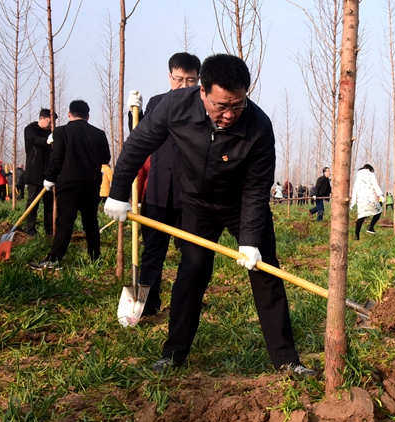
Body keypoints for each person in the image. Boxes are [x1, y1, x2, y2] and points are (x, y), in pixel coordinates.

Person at [104, 53, 315, 377]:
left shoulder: (258, 126)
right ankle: (173, 353)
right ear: (202, 92)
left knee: (265, 272)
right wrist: (118, 192)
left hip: (241, 205)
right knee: (193, 272)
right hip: (197, 205)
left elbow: (257, 188)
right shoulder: (175, 107)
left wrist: (249, 240)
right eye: (221, 106)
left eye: (237, 105)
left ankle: (287, 360)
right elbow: (137, 144)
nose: (229, 114)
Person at [125, 52, 201, 317]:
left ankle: (187, 303)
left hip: (192, 194)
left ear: (198, 80)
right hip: (158, 192)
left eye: (190, 80)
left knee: (192, 256)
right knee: (153, 253)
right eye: (178, 79)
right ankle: (148, 304)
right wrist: (132, 114)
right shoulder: (157, 104)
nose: (183, 85)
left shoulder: (205, 107)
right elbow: (138, 140)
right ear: (169, 77)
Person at [29, 100, 110, 269]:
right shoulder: (98, 133)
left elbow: (56, 157)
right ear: (88, 116)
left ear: (69, 114)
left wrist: (49, 177)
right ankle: (95, 259)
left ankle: (54, 259)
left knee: (65, 222)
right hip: (91, 184)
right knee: (91, 222)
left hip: (68, 184)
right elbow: (105, 158)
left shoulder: (61, 132)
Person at [24, 108, 57, 236]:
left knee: (49, 205)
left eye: (52, 124)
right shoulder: (30, 129)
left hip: (49, 173)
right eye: (48, 122)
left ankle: (49, 230)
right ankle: (30, 230)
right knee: (33, 203)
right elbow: (34, 139)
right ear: (41, 118)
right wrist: (46, 141)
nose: (50, 126)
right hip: (35, 172)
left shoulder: (52, 132)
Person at [350, 164, 383, 240]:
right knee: (379, 211)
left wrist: (353, 202)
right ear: (369, 169)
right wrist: (381, 195)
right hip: (371, 198)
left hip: (361, 200)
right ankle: (371, 226)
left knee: (361, 217)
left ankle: (357, 235)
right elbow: (375, 185)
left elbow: (355, 189)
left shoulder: (359, 175)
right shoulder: (370, 174)